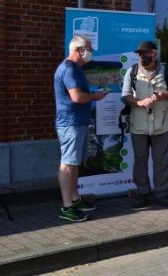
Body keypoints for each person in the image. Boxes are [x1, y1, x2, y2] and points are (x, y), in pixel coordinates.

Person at [121, 40, 168, 208]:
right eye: (140, 54)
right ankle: (142, 192)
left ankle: (161, 193)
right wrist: (139, 102)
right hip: (138, 125)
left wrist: (164, 94)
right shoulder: (131, 71)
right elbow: (125, 96)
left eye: (145, 53)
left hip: (160, 125)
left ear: (154, 54)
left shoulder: (166, 71)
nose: (142, 57)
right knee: (140, 160)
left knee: (161, 160)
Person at [54, 36, 107, 221]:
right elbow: (76, 97)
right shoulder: (69, 69)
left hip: (77, 122)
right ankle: (67, 206)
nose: (91, 52)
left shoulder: (75, 68)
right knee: (68, 164)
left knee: (74, 163)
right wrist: (95, 96)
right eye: (89, 48)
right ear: (79, 50)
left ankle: (75, 199)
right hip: (71, 123)